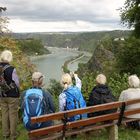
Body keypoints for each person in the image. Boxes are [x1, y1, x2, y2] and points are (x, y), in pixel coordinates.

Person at [0, 50, 20, 140]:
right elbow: (17, 83)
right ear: (9, 58)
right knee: (13, 115)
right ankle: (13, 135)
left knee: (4, 114)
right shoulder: (12, 69)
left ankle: (5, 134)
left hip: (2, 95)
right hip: (12, 95)